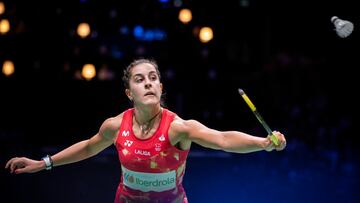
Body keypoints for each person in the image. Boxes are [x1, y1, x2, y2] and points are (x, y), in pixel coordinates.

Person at [5, 58, 286, 203]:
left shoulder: (177, 128)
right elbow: (90, 146)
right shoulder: (115, 126)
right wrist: (44, 163)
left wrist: (262, 142)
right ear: (130, 92)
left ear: (161, 88)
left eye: (153, 78)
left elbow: (223, 139)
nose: (149, 83)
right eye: (140, 80)